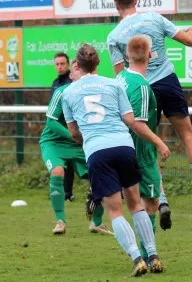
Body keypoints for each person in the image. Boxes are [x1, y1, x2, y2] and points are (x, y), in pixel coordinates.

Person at [107, 0, 192, 209]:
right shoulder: (154, 18)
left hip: (142, 88)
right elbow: (189, 40)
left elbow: (122, 76)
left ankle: (162, 201)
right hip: (168, 81)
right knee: (187, 134)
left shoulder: (113, 36)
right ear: (136, 0)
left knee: (149, 144)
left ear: (116, 6)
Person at [62, 43, 170, 276]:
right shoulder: (114, 83)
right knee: (135, 204)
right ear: (98, 63)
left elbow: (73, 132)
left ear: (77, 66)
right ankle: (153, 255)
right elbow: (131, 119)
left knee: (115, 212)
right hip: (123, 146)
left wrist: (89, 140)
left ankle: (136, 258)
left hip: (97, 151)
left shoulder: (68, 92)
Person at [40, 59, 113, 236]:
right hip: (55, 142)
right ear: (71, 75)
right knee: (57, 171)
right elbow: (51, 123)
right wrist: (75, 137)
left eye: (82, 67)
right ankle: (60, 221)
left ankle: (97, 223)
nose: (79, 70)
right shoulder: (61, 92)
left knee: (100, 175)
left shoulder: (94, 95)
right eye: (76, 68)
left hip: (81, 143)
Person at [116, 35, 171, 264]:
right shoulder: (143, 87)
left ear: (127, 56)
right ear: (150, 55)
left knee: (134, 203)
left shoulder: (120, 78)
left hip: (120, 148)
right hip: (140, 153)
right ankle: (148, 254)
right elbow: (137, 123)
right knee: (149, 203)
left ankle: (147, 254)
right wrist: (159, 142)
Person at [50, 52, 74, 202]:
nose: (59, 67)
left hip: (70, 127)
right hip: (57, 128)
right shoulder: (54, 83)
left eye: (62, 64)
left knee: (71, 161)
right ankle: (61, 192)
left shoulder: (71, 82)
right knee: (59, 161)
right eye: (57, 64)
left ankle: (69, 192)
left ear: (68, 65)